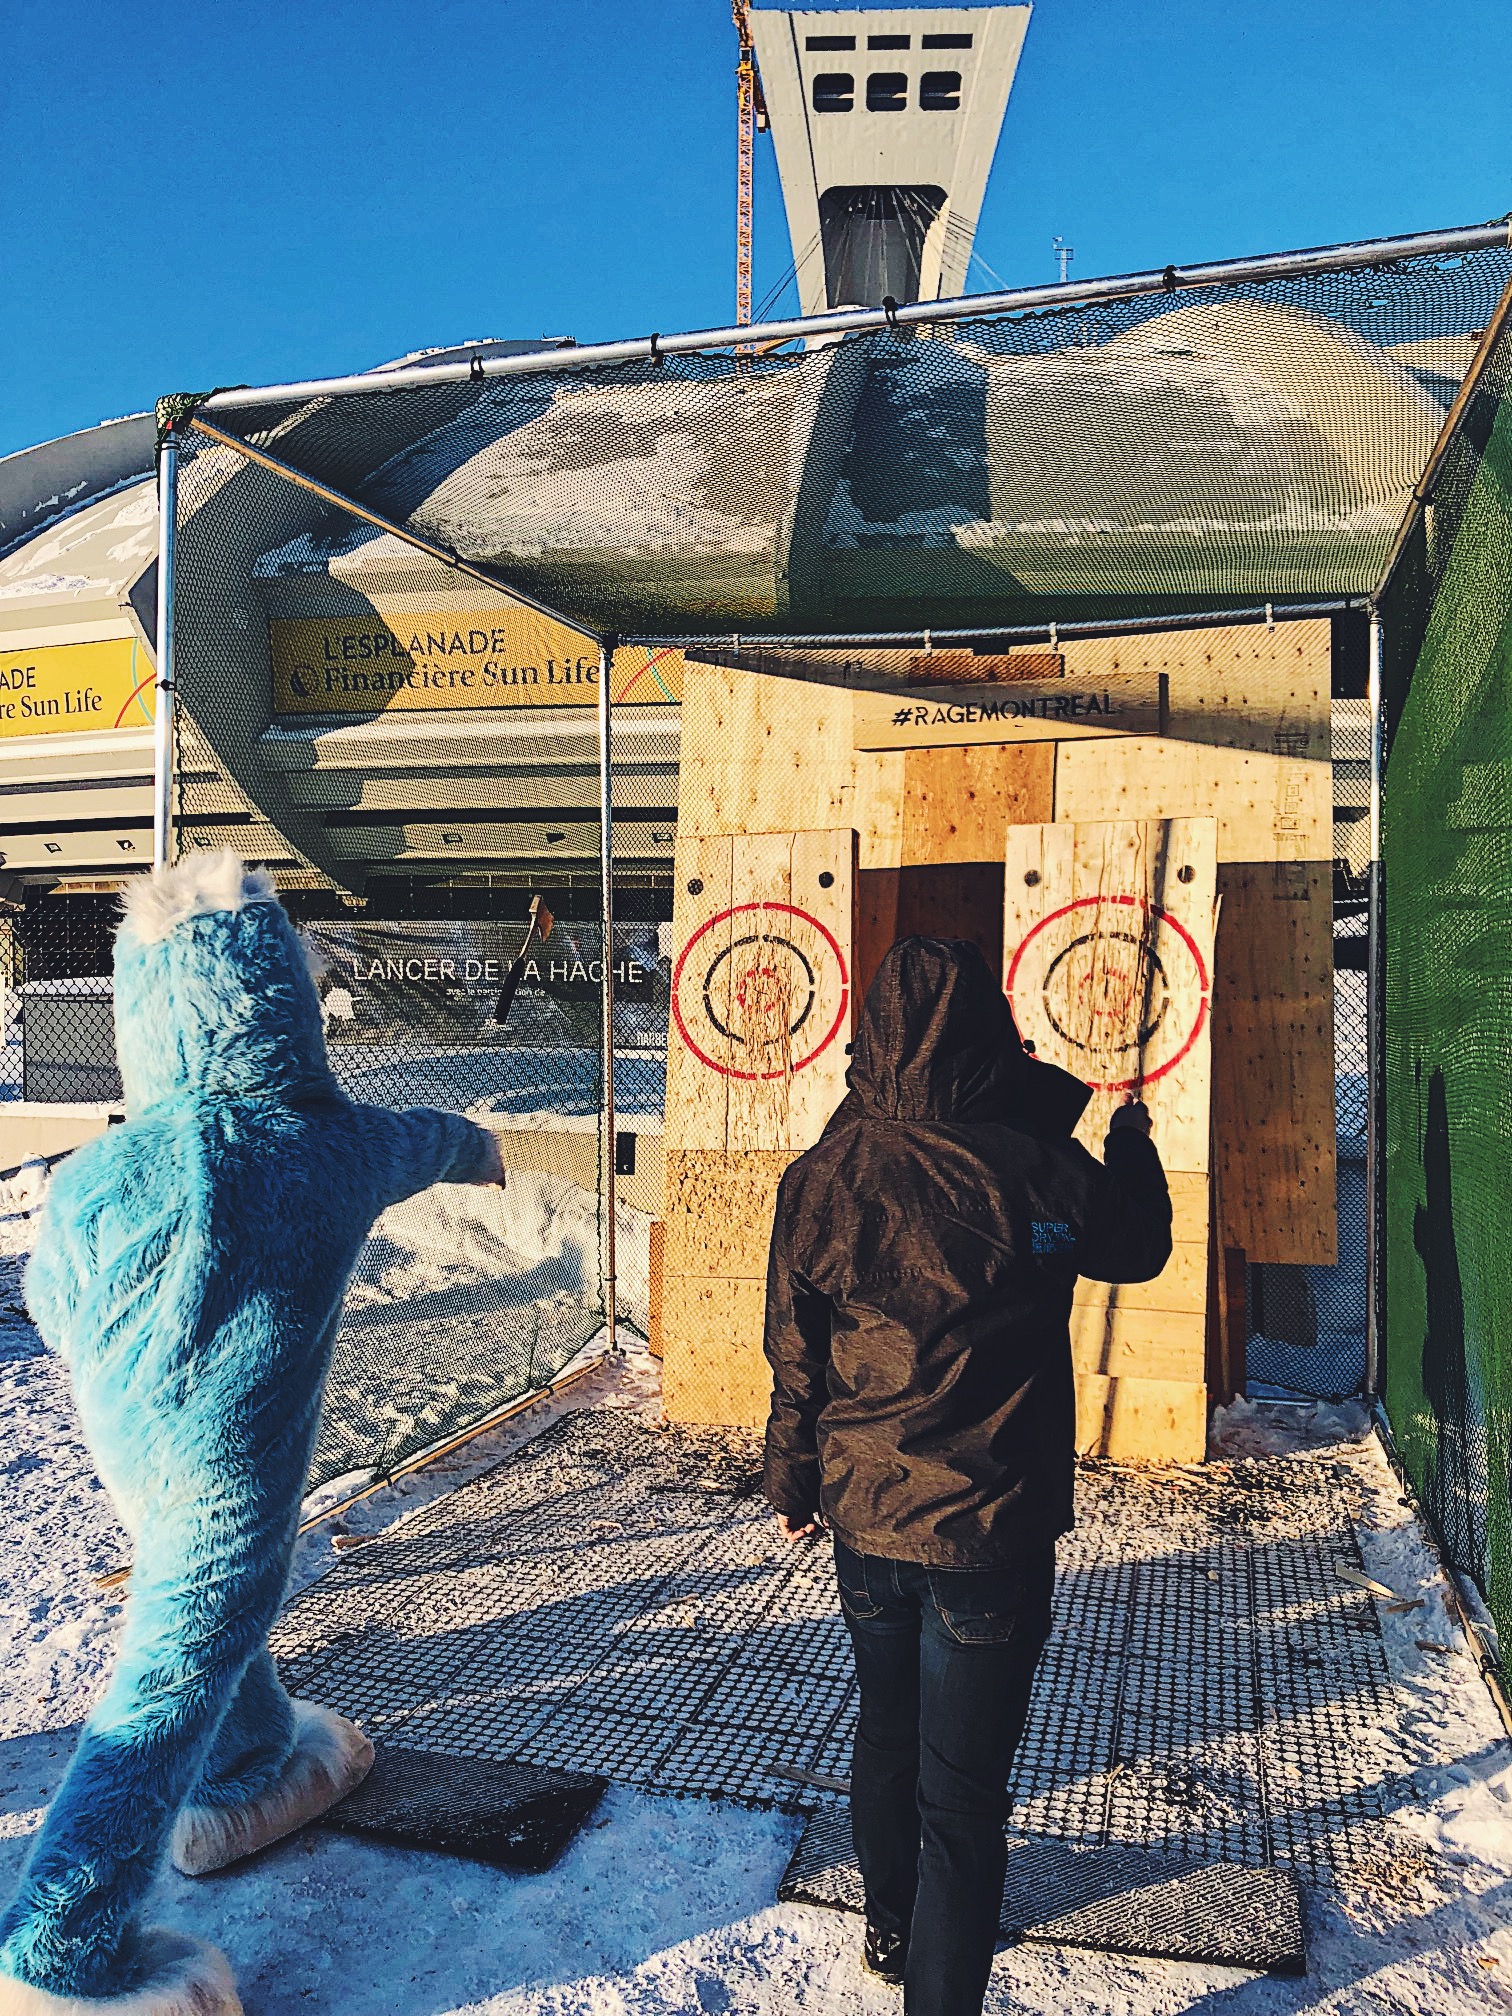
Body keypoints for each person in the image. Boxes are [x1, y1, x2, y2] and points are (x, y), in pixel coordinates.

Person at [0, 853, 505, 2016]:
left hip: (125, 1441)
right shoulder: (328, 1144)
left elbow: (50, 1302)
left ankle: (244, 1772)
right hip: (231, 1466)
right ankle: (59, 1948)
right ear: (278, 995)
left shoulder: (94, 1170)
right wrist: (480, 1151)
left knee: (216, 1623)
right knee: (173, 1669)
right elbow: (429, 1138)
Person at [763, 936, 1172, 2016]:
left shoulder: (824, 1174)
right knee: (963, 1803)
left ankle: (892, 1927)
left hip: (866, 1520)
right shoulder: (1036, 1168)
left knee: (886, 1733)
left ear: (872, 1039)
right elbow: (1136, 1247)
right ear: (991, 1035)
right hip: (991, 1534)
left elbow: (795, 1354)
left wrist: (793, 1481)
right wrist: (1130, 1147)